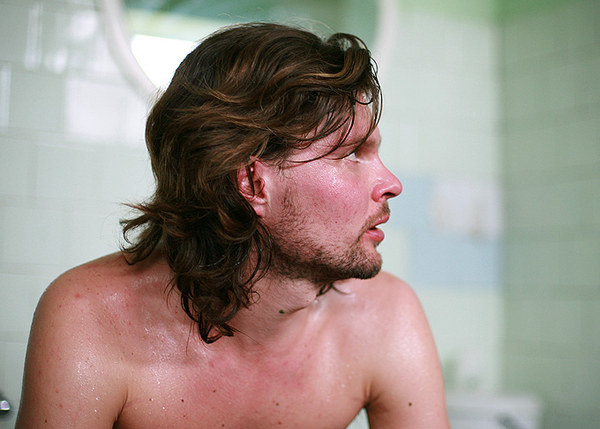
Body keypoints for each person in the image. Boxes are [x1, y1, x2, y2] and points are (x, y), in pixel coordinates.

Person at [16, 23, 449, 428]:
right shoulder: (92, 318)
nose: (392, 184)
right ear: (253, 182)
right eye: (351, 153)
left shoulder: (385, 317)